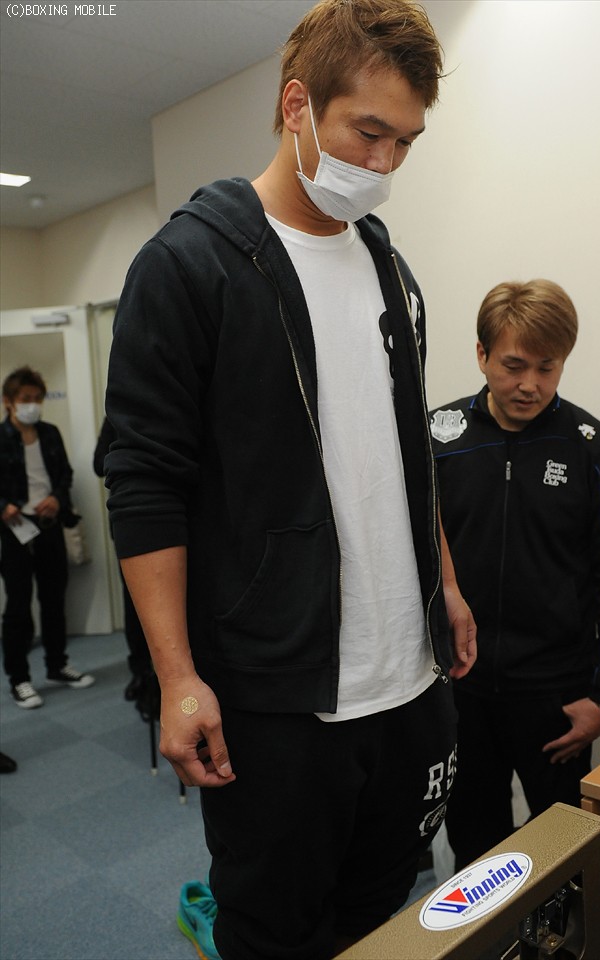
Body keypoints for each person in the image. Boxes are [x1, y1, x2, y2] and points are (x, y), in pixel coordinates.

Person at [104, 2, 476, 958]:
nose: (385, 163)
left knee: (383, 917)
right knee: (276, 932)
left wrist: (443, 581)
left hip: (409, 678)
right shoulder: (187, 266)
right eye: (369, 132)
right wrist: (177, 678)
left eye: (407, 142)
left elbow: (405, 450)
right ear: (297, 104)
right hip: (280, 698)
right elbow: (144, 483)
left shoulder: (388, 267)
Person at [430, 279, 600, 870]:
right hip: (460, 689)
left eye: (547, 368)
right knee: (476, 847)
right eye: (514, 365)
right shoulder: (437, 440)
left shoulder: (593, 450)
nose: (530, 384)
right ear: (482, 355)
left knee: (562, 854)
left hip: (556, 696)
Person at [0, 365, 95, 710]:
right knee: (18, 604)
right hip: (15, 529)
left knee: (54, 599)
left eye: (38, 398)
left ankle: (57, 666)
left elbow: (65, 475)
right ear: (9, 401)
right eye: (26, 398)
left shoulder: (50, 433)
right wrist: (3, 506)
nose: (33, 405)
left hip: (49, 523)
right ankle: (19, 680)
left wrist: (56, 497)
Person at [93, 416, 154, 703]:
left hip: (181, 523)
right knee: (134, 603)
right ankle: (141, 672)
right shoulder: (118, 416)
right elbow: (98, 464)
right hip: (133, 522)